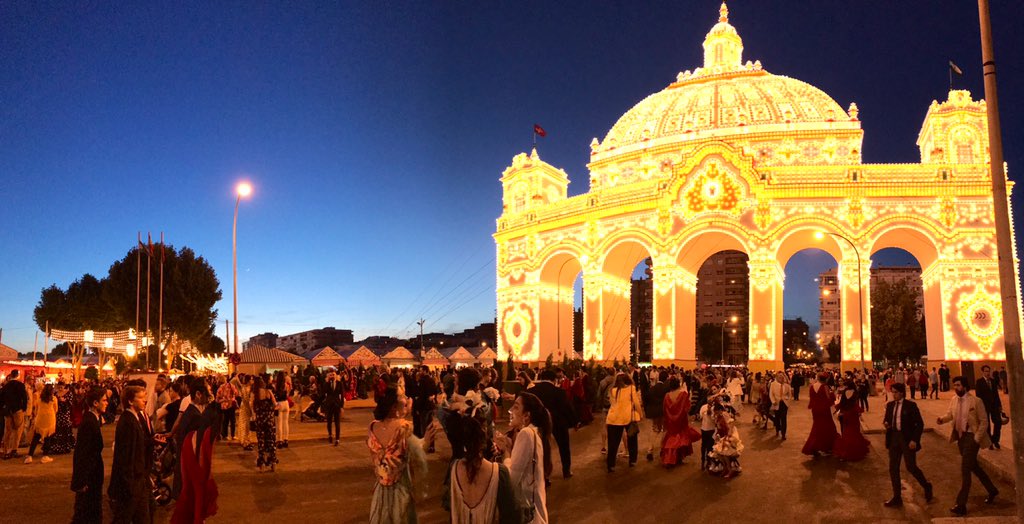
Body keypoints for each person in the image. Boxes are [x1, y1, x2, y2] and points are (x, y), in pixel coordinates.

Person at [442, 403, 519, 523]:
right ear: (484, 436)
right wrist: (506, 453)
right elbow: (512, 517)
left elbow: (451, 511)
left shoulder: (454, 469)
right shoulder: (499, 473)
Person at [367, 384, 432, 524]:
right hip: (400, 490)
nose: (407, 399)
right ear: (393, 406)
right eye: (402, 396)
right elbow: (419, 452)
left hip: (381, 492)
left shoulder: (373, 427)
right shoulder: (404, 427)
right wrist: (427, 440)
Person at [936, 376, 998, 516]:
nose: (956, 387)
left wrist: (976, 438)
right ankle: (992, 490)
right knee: (973, 466)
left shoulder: (976, 401)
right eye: (955, 385)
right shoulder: (954, 400)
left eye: (958, 385)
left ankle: (961, 504)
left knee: (965, 469)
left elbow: (984, 422)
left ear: (964, 386)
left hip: (972, 437)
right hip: (961, 437)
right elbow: (950, 414)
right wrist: (942, 419)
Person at [494, 392, 550, 524]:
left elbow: (511, 480)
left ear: (527, 415)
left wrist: (506, 452)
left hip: (528, 515)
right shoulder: (533, 433)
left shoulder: (526, 434)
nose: (511, 410)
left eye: (516, 407)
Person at [171, 388, 219, 524]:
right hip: (192, 460)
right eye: (207, 393)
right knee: (196, 495)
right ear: (198, 394)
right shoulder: (194, 415)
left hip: (191, 459)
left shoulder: (193, 413)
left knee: (194, 496)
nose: (209, 396)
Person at [882, 383, 931, 508]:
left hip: (906, 439)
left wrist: (914, 440)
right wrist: (886, 423)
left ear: (902, 393)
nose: (893, 394)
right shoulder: (890, 405)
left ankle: (926, 485)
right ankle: (897, 496)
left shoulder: (911, 406)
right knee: (893, 468)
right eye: (892, 392)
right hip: (894, 438)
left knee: (911, 466)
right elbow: (886, 419)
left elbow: (919, 424)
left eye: (896, 392)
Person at [108, 385, 152, 524]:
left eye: (144, 397)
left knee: (142, 516)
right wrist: (129, 484)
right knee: (124, 517)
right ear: (130, 401)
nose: (144, 401)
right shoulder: (128, 422)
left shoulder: (134, 419)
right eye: (140, 398)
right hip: (132, 482)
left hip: (138, 479)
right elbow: (126, 457)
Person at [529, 368, 577, 479]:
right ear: (554, 379)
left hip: (538, 423)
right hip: (558, 423)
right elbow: (568, 408)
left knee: (541, 448)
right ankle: (566, 470)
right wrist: (575, 421)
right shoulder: (559, 392)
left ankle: (543, 474)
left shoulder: (532, 392)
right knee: (564, 446)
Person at [71, 387, 108, 524]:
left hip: (93, 475)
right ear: (95, 403)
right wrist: (81, 481)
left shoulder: (93, 420)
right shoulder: (89, 423)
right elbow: (82, 454)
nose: (107, 403)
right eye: (104, 400)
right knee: (85, 513)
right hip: (89, 477)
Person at [605, 373, 643, 473]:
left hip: (613, 419)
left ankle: (611, 465)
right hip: (627, 418)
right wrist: (641, 414)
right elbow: (636, 403)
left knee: (613, 443)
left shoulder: (612, 390)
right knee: (632, 439)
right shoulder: (631, 388)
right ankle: (632, 460)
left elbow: (612, 403)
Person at [660, 377, 700, 467]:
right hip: (681, 420)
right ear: (679, 385)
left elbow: (664, 409)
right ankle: (676, 458)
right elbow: (687, 408)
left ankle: (670, 458)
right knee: (681, 438)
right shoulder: (683, 394)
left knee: (671, 437)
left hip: (670, 420)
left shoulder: (667, 395)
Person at [802, 373, 838, 457]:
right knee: (827, 427)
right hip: (824, 409)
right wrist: (833, 394)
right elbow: (829, 398)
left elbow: (811, 397)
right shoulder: (825, 386)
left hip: (815, 409)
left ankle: (814, 446)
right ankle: (827, 446)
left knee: (817, 427)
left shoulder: (812, 386)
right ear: (825, 379)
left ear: (818, 378)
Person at [832, 381, 869, 462]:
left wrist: (839, 411)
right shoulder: (855, 392)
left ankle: (846, 448)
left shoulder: (845, 392)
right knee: (855, 431)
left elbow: (842, 403)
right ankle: (855, 449)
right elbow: (856, 403)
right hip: (853, 414)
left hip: (846, 413)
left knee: (846, 431)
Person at [25, 383, 57, 464]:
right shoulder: (54, 399)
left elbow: (36, 410)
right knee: (47, 438)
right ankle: (45, 456)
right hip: (50, 419)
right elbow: (56, 410)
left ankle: (29, 456)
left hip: (39, 420)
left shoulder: (39, 399)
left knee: (35, 438)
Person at [252, 377, 278, 472]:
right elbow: (275, 405)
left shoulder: (255, 394)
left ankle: (262, 464)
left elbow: (252, 407)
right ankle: (273, 462)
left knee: (261, 442)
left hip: (260, 420)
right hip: (269, 420)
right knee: (271, 441)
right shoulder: (268, 392)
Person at [1, 369, 28, 459]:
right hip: (18, 410)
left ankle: (6, 451)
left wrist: (3, 409)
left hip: (8, 411)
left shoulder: (6, 386)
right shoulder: (20, 385)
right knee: (18, 430)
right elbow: (24, 397)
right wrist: (24, 408)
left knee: (7, 431)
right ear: (18, 375)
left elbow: (1, 399)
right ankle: (14, 450)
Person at [974, 365, 1002, 450]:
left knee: (998, 422)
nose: (987, 373)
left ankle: (995, 440)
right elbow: (978, 395)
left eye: (988, 371)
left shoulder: (993, 381)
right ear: (982, 372)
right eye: (986, 371)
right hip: (984, 406)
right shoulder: (979, 382)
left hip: (994, 406)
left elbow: (996, 394)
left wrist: (1000, 405)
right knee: (987, 425)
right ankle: (989, 442)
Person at [45, 382, 77, 455]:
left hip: (65, 414)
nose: (60, 389)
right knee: (57, 430)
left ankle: (66, 446)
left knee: (65, 429)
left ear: (64, 386)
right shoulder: (55, 394)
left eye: (61, 387)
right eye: (59, 387)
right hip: (57, 414)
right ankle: (56, 447)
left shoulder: (69, 393)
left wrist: (64, 401)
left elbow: (70, 404)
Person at [643, 371, 668, 462]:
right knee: (664, 430)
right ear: (666, 379)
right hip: (663, 412)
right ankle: (662, 448)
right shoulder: (666, 389)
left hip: (654, 413)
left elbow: (646, 399)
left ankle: (650, 450)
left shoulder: (652, 388)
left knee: (655, 430)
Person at [322, 369, 345, 445]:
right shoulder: (327, 384)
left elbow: (342, 395)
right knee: (329, 422)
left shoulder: (339, 383)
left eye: (333, 375)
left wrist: (341, 406)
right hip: (329, 405)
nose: (332, 376)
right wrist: (327, 382)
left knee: (337, 422)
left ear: (336, 375)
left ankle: (337, 439)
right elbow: (323, 393)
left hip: (337, 405)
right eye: (330, 375)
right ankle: (330, 435)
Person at [768, 372, 790, 440]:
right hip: (776, 403)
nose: (781, 378)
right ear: (777, 377)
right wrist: (773, 401)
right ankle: (777, 430)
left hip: (784, 404)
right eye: (780, 377)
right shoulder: (773, 384)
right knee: (777, 418)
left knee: (784, 419)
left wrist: (787, 400)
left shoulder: (786, 385)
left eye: (782, 377)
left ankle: (783, 434)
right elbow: (771, 394)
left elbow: (789, 395)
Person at [215, 376, 238, 441]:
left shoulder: (220, 387)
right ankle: (233, 435)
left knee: (225, 421)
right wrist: (232, 397)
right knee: (232, 421)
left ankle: (225, 435)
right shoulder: (232, 386)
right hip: (231, 405)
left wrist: (223, 400)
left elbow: (217, 399)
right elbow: (236, 394)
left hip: (224, 406)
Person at [236, 375, 254, 451]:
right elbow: (247, 400)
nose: (252, 381)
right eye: (251, 379)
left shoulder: (244, 388)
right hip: (245, 408)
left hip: (244, 407)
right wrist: (251, 410)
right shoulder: (246, 389)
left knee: (246, 425)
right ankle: (245, 442)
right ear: (248, 380)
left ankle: (247, 441)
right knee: (245, 425)